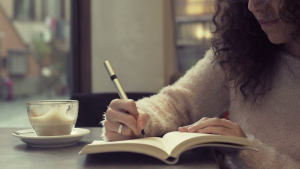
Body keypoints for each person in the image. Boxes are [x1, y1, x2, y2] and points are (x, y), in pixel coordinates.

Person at [101, 0, 300, 168]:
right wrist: (135, 118)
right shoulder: (241, 51)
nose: (252, 5)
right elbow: (178, 102)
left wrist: (246, 148)